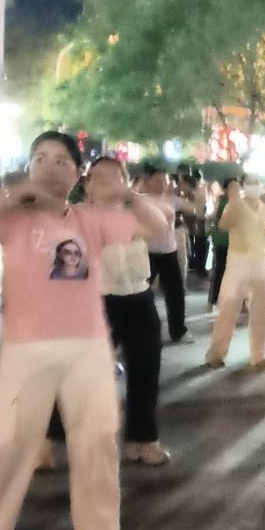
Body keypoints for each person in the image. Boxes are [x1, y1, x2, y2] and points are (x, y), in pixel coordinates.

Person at [0, 131, 168, 530]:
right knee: (4, 448)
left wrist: (125, 192)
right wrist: (15, 193)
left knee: (98, 446)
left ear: (76, 173)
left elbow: (158, 229)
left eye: (61, 160)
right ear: (29, 167)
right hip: (27, 349)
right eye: (40, 158)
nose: (49, 166)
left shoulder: (90, 218)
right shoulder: (13, 218)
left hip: (88, 347)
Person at [84, 156, 169, 465]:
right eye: (99, 177)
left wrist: (129, 195)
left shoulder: (133, 214)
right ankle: (63, 440)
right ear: (87, 184)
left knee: (145, 371)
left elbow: (160, 226)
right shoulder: (78, 216)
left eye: (114, 176)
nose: (106, 182)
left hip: (137, 298)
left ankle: (143, 439)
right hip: (94, 302)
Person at [205, 176, 265, 369]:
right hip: (238, 262)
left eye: (256, 183)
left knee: (261, 311)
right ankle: (216, 354)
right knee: (228, 308)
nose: (253, 186)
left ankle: (259, 355)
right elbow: (223, 225)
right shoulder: (235, 205)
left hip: (261, 263)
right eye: (249, 183)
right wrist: (234, 203)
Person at [141, 166, 192, 344]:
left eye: (164, 181)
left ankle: (178, 330)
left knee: (175, 293)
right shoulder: (142, 200)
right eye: (157, 181)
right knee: (142, 292)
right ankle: (141, 329)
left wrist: (192, 194)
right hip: (148, 253)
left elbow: (194, 209)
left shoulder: (172, 200)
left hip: (169, 251)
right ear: (148, 181)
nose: (161, 185)